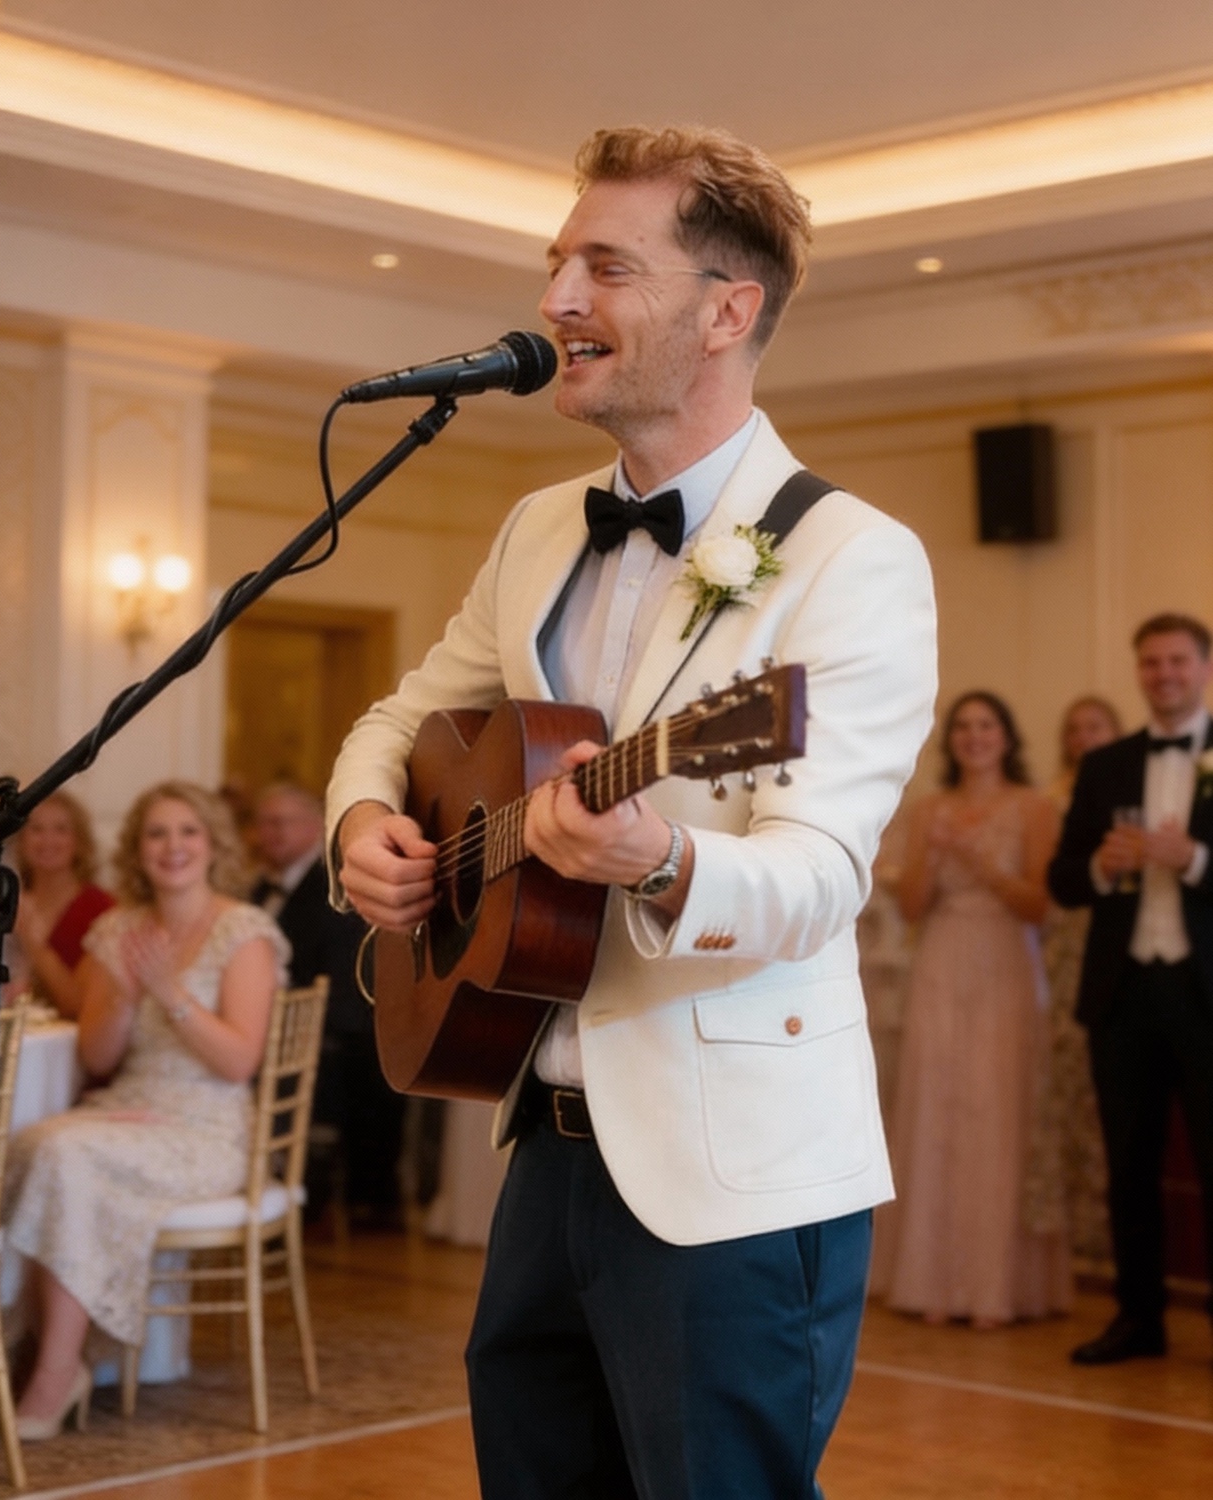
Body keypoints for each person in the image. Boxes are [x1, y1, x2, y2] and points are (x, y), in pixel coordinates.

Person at [327, 125, 937, 1499]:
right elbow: (399, 724)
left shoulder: (855, 558)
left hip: (732, 1170)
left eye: (607, 267)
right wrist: (366, 825)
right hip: (543, 1138)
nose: (556, 300)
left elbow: (819, 878)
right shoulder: (540, 526)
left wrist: (657, 859)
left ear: (727, 312)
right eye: (558, 264)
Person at [3, 781, 286, 1439]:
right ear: (137, 849)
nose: (172, 846)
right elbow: (97, 1056)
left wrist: (168, 990)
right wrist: (125, 997)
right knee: (34, 1143)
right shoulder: (118, 929)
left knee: (67, 1153)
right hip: (129, 1106)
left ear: (212, 844)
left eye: (188, 831)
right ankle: (42, 1352)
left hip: (207, 1125)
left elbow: (238, 1062)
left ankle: (56, 1372)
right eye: (157, 833)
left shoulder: (244, 931)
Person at [1049, 613, 1213, 1365]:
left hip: (1205, 994)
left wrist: (1195, 859)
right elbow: (1062, 880)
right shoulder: (1105, 764)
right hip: (1123, 994)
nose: (1164, 674)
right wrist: (1100, 867)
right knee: (1130, 1164)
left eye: (1177, 660)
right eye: (1151, 663)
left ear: (1203, 667)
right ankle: (1138, 1317)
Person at [878, 691, 1070, 1326]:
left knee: (997, 1107)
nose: (974, 735)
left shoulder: (1033, 807)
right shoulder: (928, 808)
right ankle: (929, 1282)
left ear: (1007, 737)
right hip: (941, 957)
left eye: (986, 725)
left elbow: (1040, 907)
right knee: (934, 1102)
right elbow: (910, 907)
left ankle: (996, 1287)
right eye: (962, 726)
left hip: (1006, 959)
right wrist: (934, 852)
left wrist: (981, 862)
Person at [251, 781, 405, 1229]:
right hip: (276, 1023)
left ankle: (318, 1196)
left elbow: (341, 973)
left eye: (282, 823)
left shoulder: (335, 884)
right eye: (265, 823)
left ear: (314, 826)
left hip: (338, 1029)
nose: (272, 833)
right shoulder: (259, 888)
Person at [1023, 696, 1122, 1265]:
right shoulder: (1052, 796)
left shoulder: (1124, 787)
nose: (1084, 737)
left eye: (1095, 727)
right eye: (1075, 728)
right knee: (1060, 1080)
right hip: (1059, 948)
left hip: (1109, 941)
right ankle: (1066, 1229)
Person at [10, 792, 115, 1019]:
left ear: (79, 841)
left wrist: (35, 944)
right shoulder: (8, 902)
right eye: (36, 829)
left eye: (61, 830)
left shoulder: (103, 909)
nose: (48, 840)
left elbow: (81, 1005)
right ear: (21, 840)